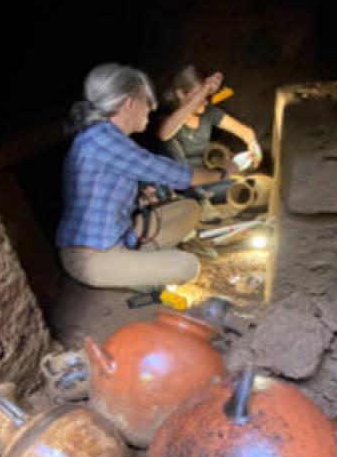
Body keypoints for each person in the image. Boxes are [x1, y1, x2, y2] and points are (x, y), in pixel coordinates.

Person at [57, 63, 234, 291]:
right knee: (187, 265)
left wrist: (140, 198)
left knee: (189, 208)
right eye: (147, 103)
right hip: (91, 256)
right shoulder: (106, 140)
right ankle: (138, 272)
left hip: (118, 234)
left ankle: (137, 264)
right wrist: (224, 172)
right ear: (130, 104)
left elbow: (102, 192)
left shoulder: (101, 136)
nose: (150, 109)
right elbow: (179, 175)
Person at [158, 65, 262, 170]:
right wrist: (203, 91)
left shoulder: (208, 113)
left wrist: (253, 145)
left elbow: (245, 132)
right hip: (178, 178)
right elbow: (164, 134)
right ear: (181, 94)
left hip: (205, 176)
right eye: (199, 95)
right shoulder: (168, 119)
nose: (205, 100)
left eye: (206, 95)